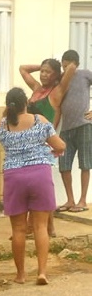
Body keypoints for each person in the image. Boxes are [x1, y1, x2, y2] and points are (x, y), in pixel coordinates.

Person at [0, 87, 66, 285]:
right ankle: (41, 273)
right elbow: (61, 146)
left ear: (8, 105)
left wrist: (4, 117)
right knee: (40, 227)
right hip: (40, 174)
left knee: (19, 230)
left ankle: (20, 275)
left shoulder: (3, 125)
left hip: (14, 178)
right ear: (26, 104)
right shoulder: (39, 121)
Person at [19, 59, 76, 236]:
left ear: (56, 75)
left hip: (43, 145)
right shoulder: (37, 89)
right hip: (28, 142)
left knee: (40, 189)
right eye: (42, 71)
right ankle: (49, 228)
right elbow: (23, 68)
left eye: (47, 72)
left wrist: (60, 68)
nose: (43, 74)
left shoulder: (56, 92)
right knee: (39, 188)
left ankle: (34, 227)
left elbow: (72, 67)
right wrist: (42, 65)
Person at [56, 50, 92, 213]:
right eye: (63, 66)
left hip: (84, 125)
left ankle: (83, 200)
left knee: (85, 163)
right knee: (64, 165)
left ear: (75, 64)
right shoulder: (59, 79)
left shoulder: (85, 75)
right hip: (66, 129)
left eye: (67, 65)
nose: (65, 69)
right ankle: (70, 200)